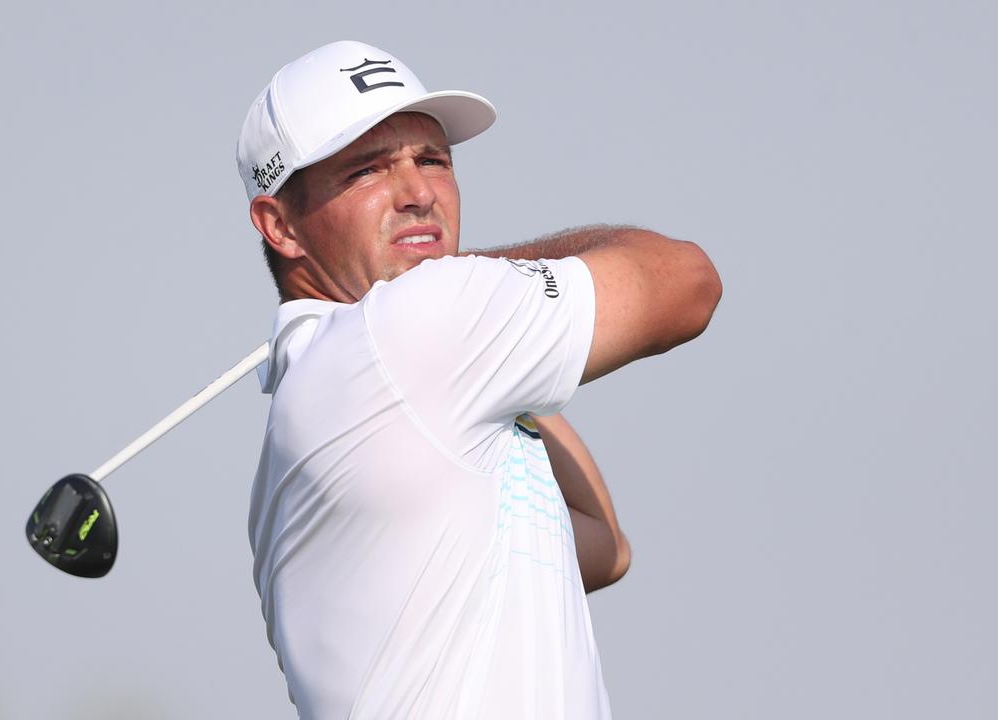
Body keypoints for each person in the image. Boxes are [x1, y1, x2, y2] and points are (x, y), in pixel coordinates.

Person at [237, 41, 721, 719]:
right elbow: (687, 282)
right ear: (280, 225)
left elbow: (602, 545)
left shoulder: (341, 387)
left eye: (432, 159)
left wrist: (479, 299)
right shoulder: (409, 332)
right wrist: (470, 279)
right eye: (366, 170)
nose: (417, 193)